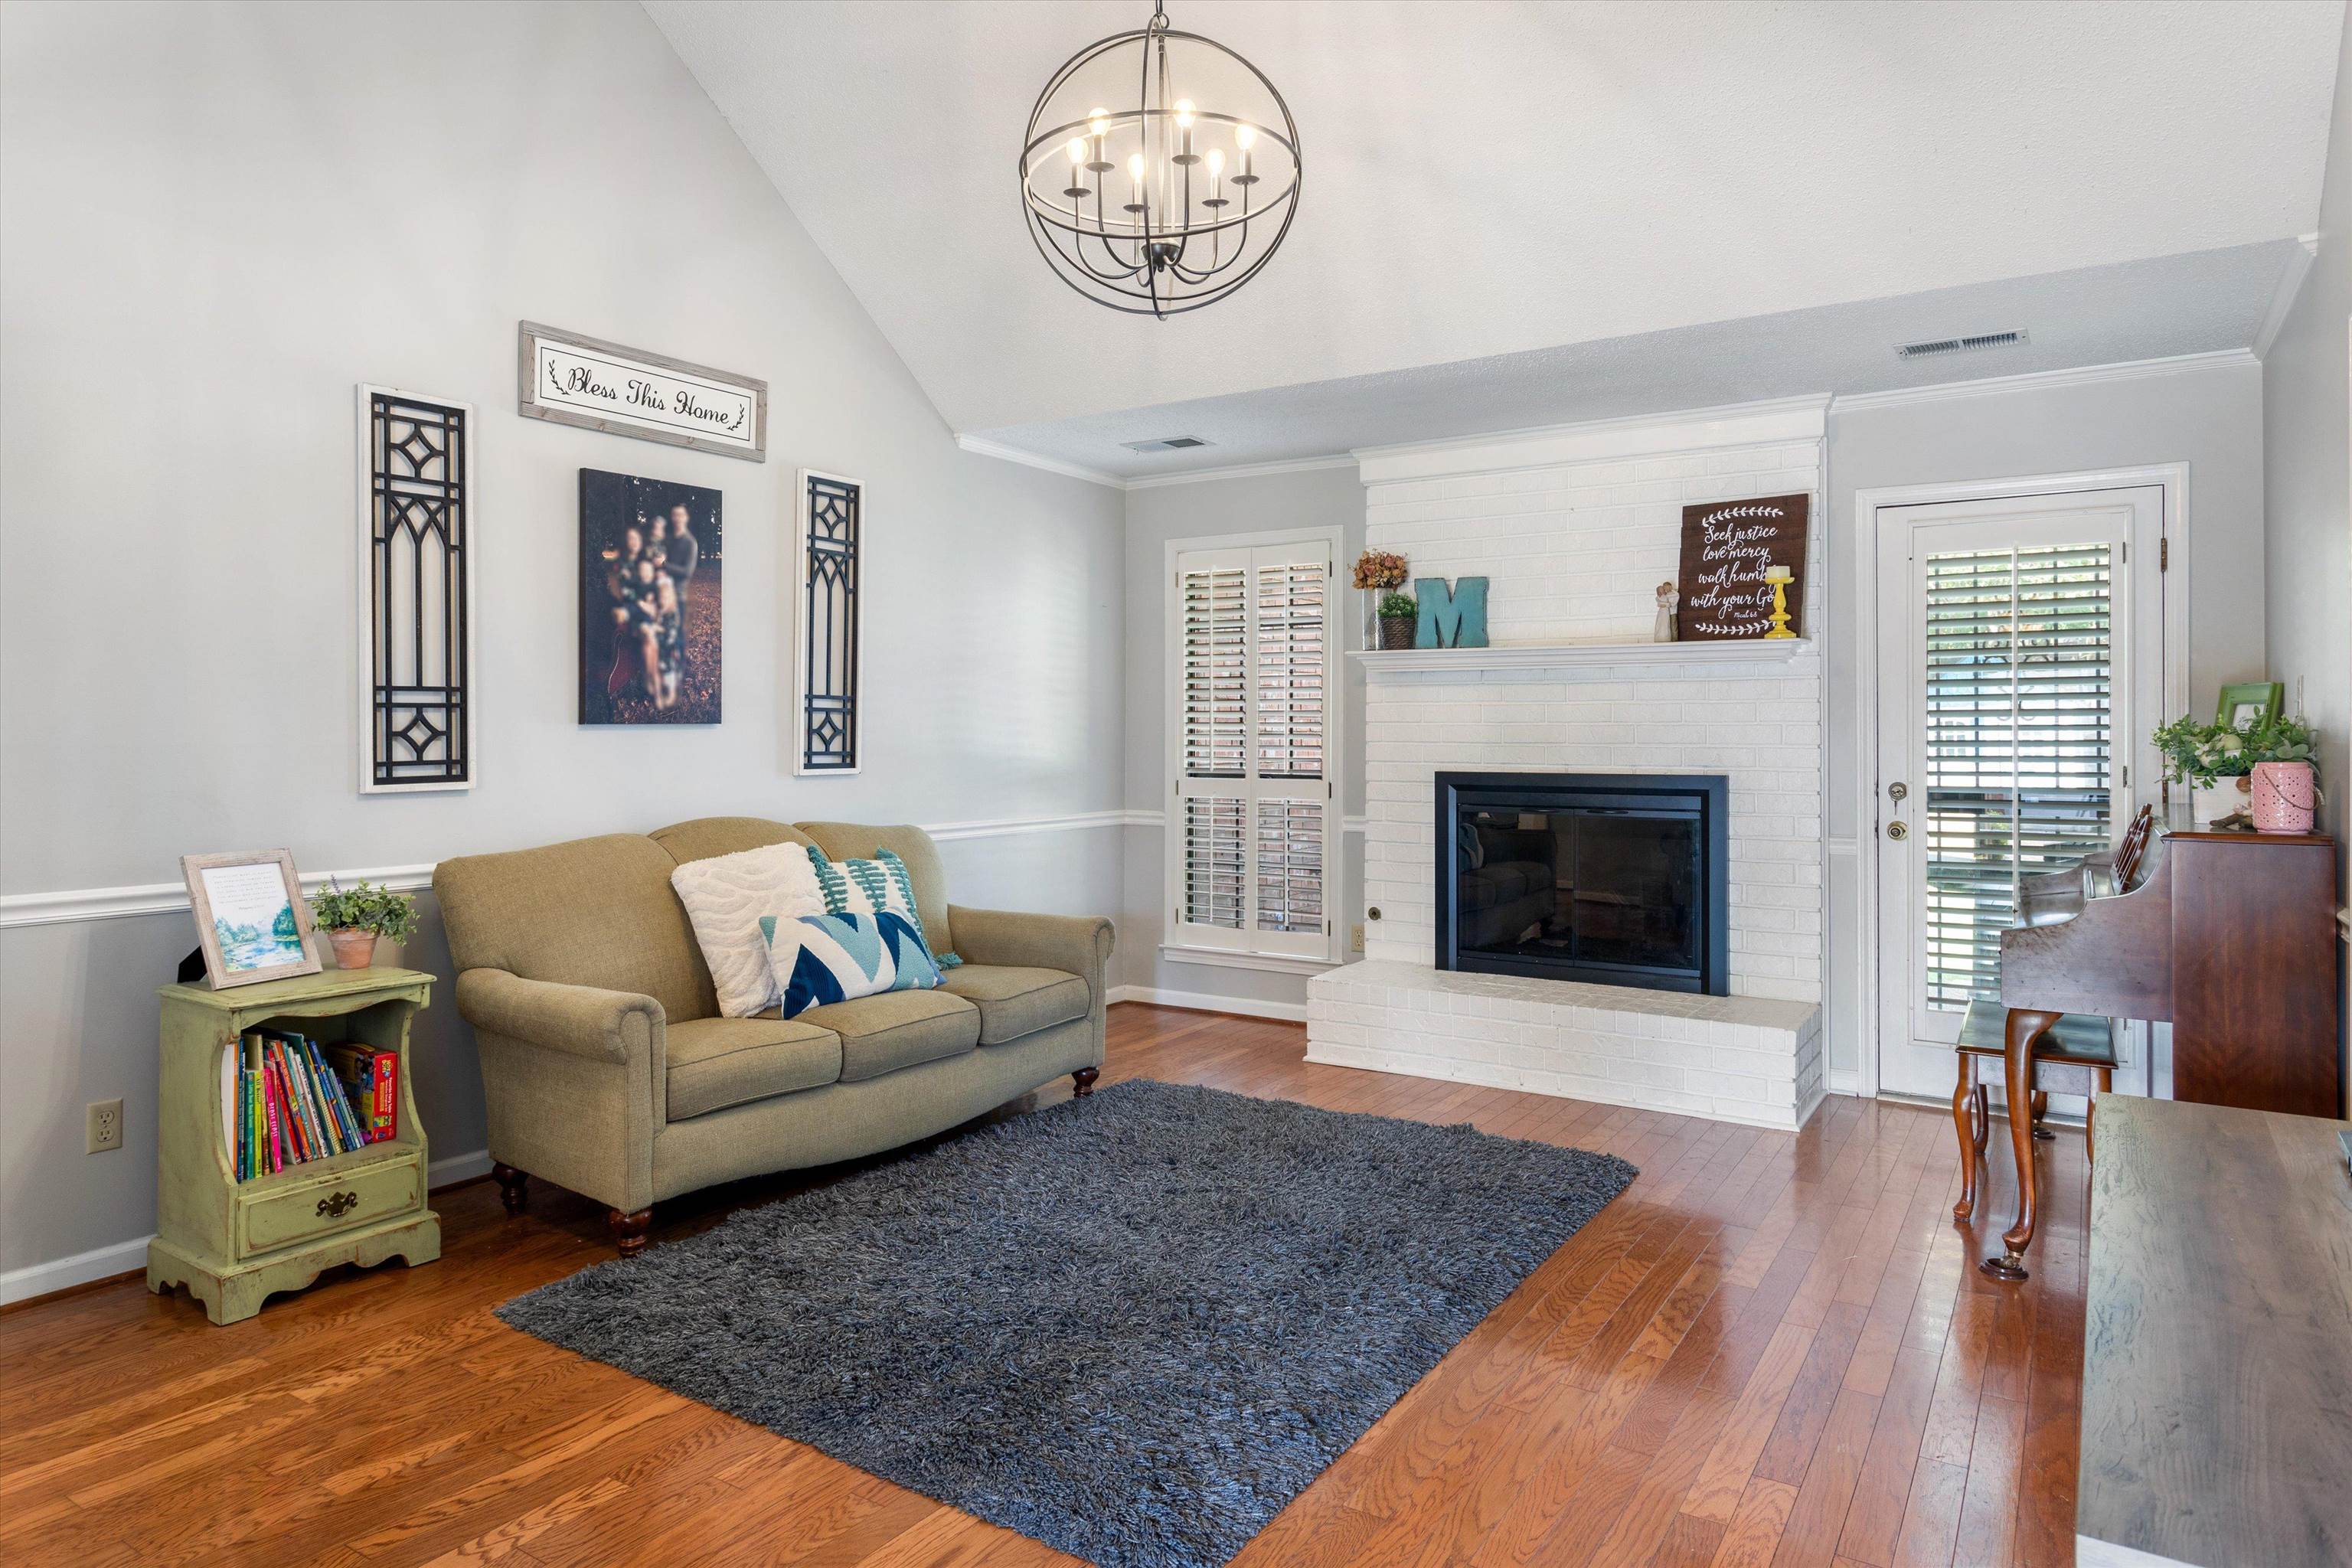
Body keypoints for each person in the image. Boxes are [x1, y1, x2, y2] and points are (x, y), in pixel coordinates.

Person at [665, 501, 699, 597]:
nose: (677, 518)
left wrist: (664, 564)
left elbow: (687, 572)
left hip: (678, 595)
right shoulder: (667, 539)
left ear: (686, 518)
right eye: (674, 515)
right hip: (661, 592)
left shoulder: (691, 542)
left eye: (680, 515)